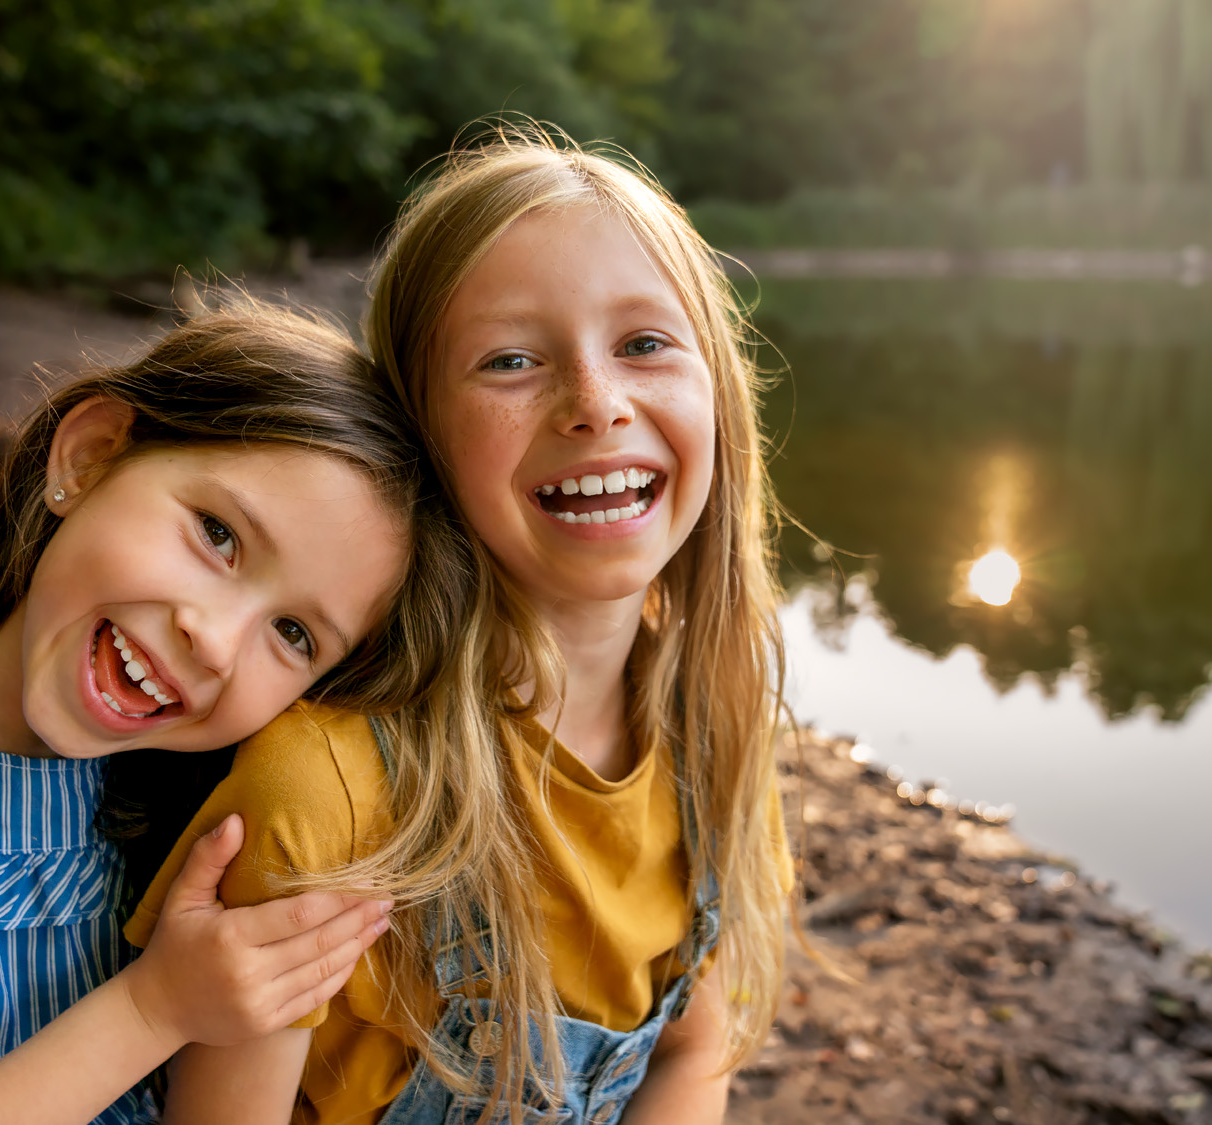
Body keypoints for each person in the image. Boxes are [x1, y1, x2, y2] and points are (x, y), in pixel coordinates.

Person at [127, 124, 796, 1124]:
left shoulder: (718, 736)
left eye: (644, 344)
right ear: (419, 431)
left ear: (720, 393)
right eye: (511, 360)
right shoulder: (327, 794)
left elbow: (693, 1056)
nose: (596, 403)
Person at [0, 298, 472, 1124]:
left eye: (293, 633)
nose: (216, 642)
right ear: (92, 456)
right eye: (218, 535)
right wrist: (153, 1009)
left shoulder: (187, 805)